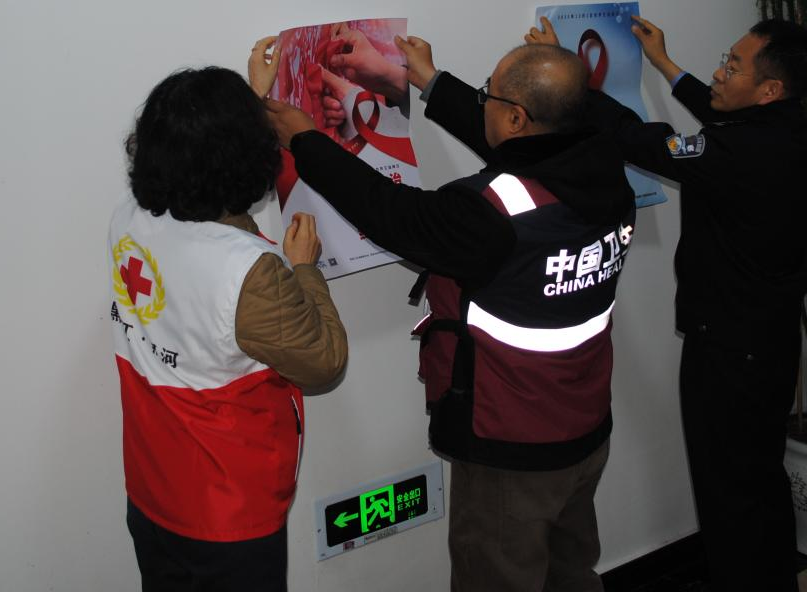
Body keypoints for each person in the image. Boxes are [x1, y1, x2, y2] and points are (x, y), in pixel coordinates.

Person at [258, 36, 638, 592]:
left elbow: (393, 213)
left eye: (488, 96)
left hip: (513, 448)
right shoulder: (606, 172)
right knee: (571, 574)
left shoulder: (494, 214)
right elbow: (528, 149)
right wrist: (431, 82)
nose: (482, 104)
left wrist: (305, 138)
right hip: (584, 429)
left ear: (515, 117)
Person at [528, 14, 807, 591]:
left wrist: (570, 76)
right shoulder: (798, 135)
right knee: (761, 481)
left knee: (727, 496)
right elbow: (722, 120)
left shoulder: (736, 152)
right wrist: (665, 64)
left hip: (729, 353)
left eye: (733, 66)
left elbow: (642, 141)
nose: (720, 72)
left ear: (769, 89)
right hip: (770, 344)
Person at [108, 65, 348, 592]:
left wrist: (250, 102)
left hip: (152, 488)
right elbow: (324, 360)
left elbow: (199, 167)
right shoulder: (250, 271)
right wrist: (304, 268)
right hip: (226, 515)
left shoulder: (129, 220)